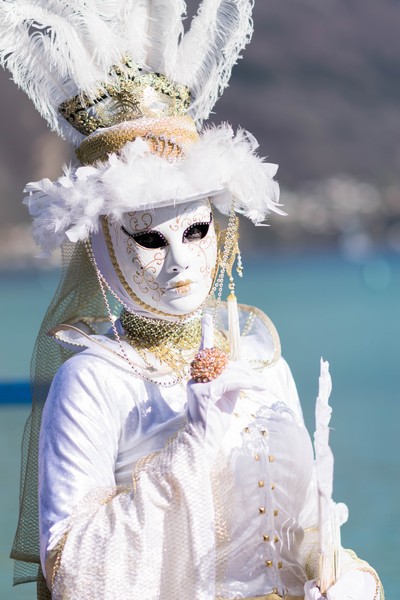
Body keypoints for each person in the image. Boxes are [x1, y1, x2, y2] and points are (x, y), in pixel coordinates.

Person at [1, 1, 383, 599]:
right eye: (149, 239)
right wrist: (195, 440)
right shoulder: (93, 381)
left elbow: (303, 524)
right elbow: (74, 572)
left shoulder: (259, 360)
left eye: (196, 231)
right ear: (102, 245)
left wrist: (345, 578)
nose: (179, 262)